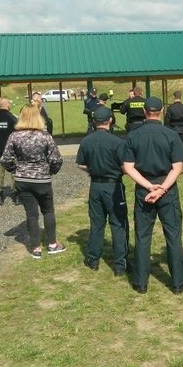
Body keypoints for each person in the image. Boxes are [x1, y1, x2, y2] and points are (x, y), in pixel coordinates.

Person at [122, 96, 183, 295]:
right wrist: (162, 189)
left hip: (145, 189)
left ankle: (141, 282)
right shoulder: (171, 135)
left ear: (144, 112)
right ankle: (178, 282)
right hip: (167, 190)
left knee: (142, 236)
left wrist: (150, 187)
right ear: (161, 111)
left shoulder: (133, 136)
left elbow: (128, 167)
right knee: (173, 236)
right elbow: (178, 167)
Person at [0, 104, 65, 258]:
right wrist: (51, 171)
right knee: (48, 211)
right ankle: (52, 244)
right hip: (42, 178)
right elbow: (56, 159)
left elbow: (5, 159)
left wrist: (15, 170)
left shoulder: (14, 136)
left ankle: (36, 248)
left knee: (31, 214)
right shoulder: (45, 136)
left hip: (23, 179)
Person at [76, 106, 128, 274]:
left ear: (93, 121)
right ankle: (120, 264)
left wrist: (92, 169)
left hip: (95, 186)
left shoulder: (86, 141)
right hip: (113, 186)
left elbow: (81, 164)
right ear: (111, 120)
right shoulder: (118, 142)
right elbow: (125, 166)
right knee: (118, 224)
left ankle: (93, 260)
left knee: (97, 223)